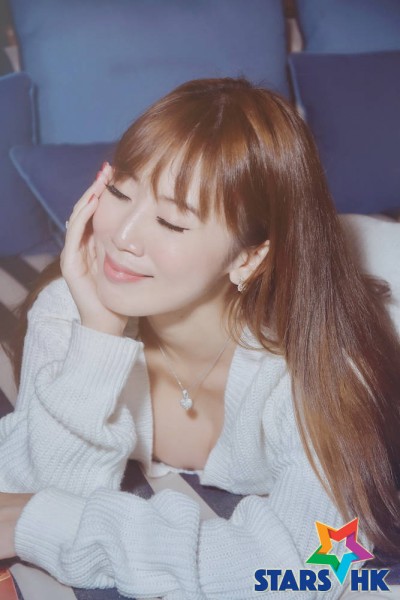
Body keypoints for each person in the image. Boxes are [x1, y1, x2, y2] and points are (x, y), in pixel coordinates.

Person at [0, 76, 399, 599]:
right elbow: (41, 487)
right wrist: (98, 336)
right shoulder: (71, 307)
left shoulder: (319, 368)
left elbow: (313, 570)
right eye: (119, 191)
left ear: (248, 257)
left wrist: (34, 521)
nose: (121, 237)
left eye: (171, 222)